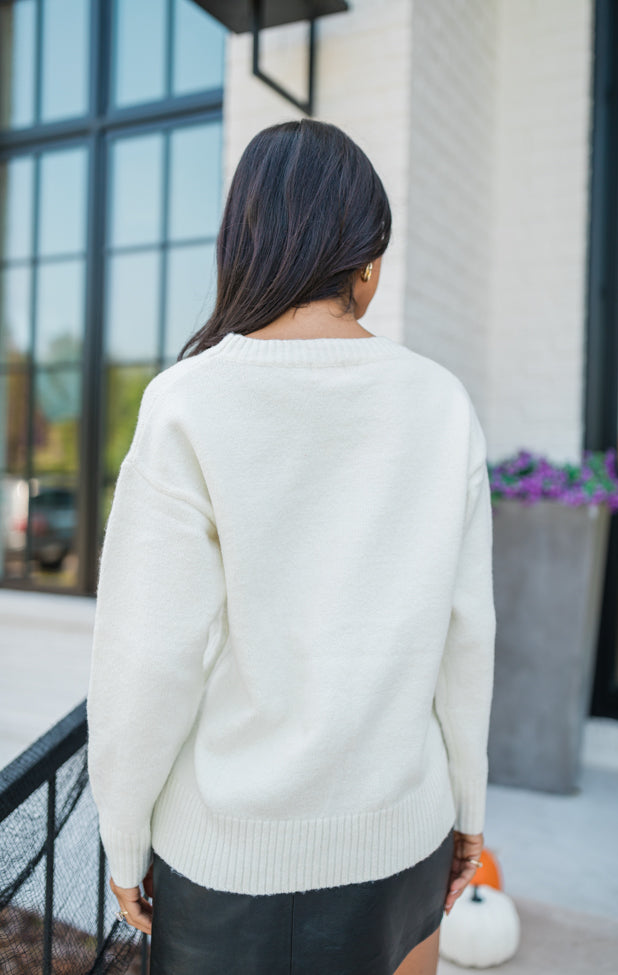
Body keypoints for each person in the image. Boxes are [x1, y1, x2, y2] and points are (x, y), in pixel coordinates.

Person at [86, 118, 496, 975]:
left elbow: (146, 654)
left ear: (245, 248)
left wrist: (124, 834)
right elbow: (468, 636)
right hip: (403, 829)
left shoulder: (187, 402)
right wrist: (468, 806)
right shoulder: (442, 403)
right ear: (367, 263)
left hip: (228, 858)